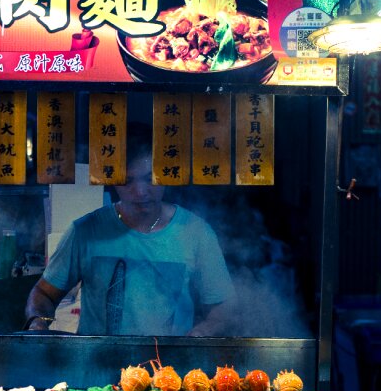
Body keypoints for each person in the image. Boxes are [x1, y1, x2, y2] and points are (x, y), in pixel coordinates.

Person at [25, 123, 236, 337]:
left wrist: (201, 333)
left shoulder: (196, 232)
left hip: (169, 366)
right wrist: (38, 324)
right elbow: (44, 293)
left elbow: (223, 308)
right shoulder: (85, 231)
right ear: (112, 180)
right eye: (127, 181)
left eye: (149, 178)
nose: (141, 192)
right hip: (96, 364)